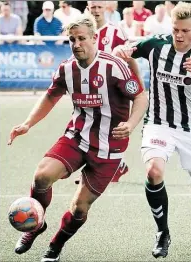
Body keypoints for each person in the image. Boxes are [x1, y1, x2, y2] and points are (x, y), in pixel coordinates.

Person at [8, 14, 148, 262]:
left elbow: (140, 97)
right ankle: (36, 224)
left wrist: (131, 123)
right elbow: (51, 96)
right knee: (41, 176)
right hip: (77, 136)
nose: (76, 44)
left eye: (82, 38)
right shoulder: (66, 68)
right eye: (72, 39)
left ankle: (55, 246)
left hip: (109, 147)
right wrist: (28, 123)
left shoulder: (113, 67)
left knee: (79, 207)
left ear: (95, 39)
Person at [113, 2, 191, 260]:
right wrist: (121, 50)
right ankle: (162, 233)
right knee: (154, 172)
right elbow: (125, 49)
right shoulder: (156, 44)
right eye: (175, 30)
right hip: (158, 123)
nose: (179, 36)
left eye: (185, 30)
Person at [74, 1, 129, 184]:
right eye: (92, 7)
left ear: (105, 8)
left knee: (113, 129)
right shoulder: (82, 32)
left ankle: (117, 163)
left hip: (114, 91)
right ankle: (94, 166)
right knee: (87, 126)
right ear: (88, 8)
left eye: (99, 7)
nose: (96, 11)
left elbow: (128, 57)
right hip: (90, 91)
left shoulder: (116, 31)